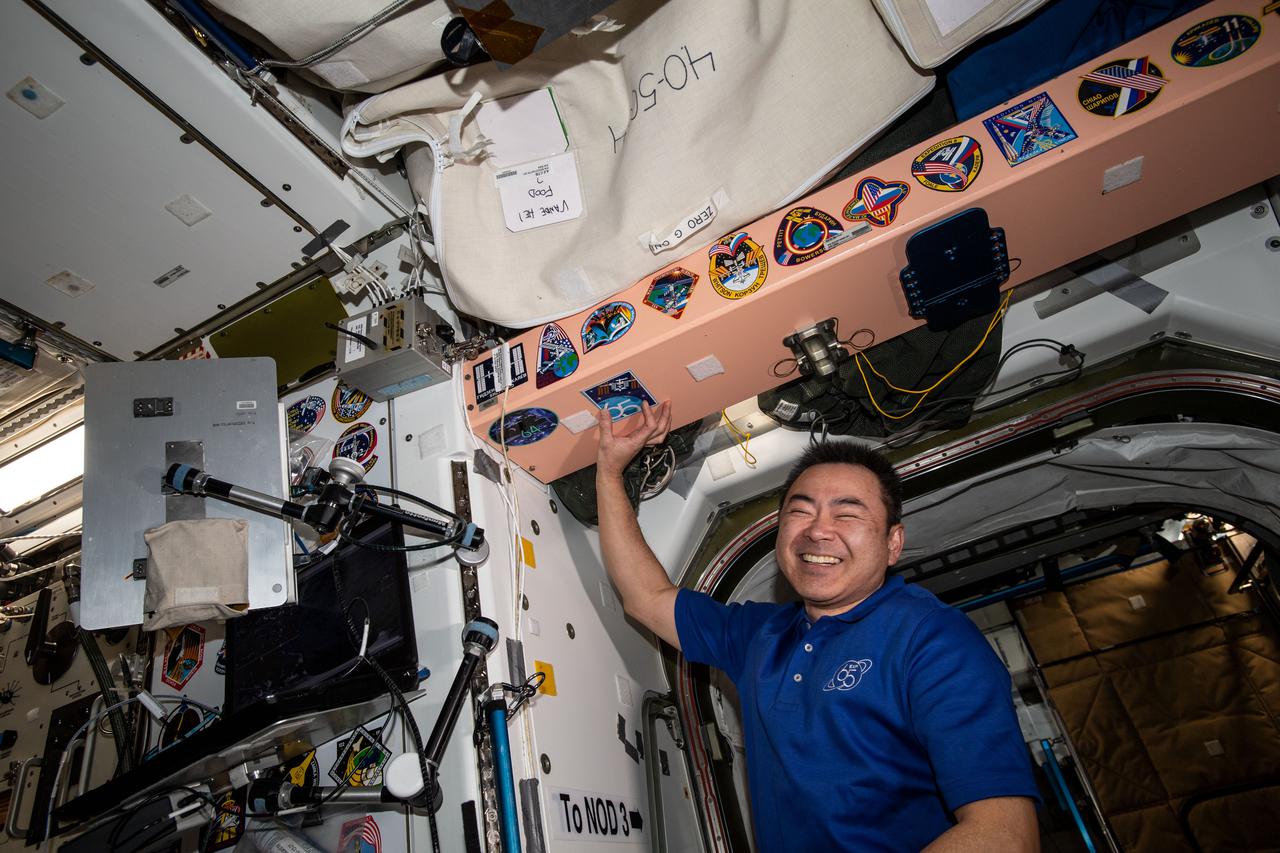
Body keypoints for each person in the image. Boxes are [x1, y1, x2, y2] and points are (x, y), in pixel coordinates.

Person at [595, 402, 1040, 852]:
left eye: (847, 514)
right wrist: (610, 474)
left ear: (893, 544)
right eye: (800, 511)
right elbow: (647, 599)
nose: (818, 531)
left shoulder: (933, 641)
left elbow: (1004, 835)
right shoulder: (760, 636)